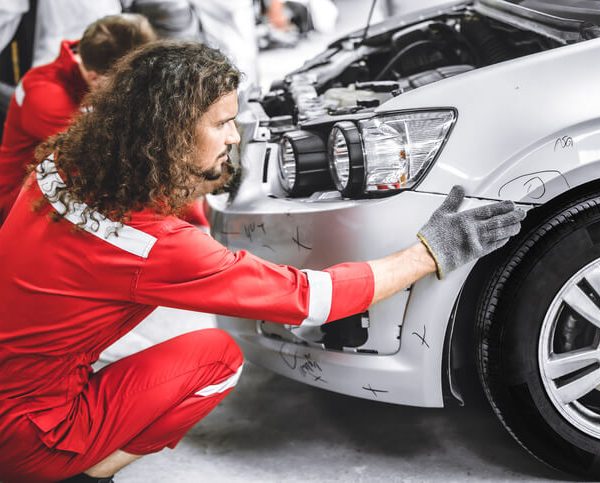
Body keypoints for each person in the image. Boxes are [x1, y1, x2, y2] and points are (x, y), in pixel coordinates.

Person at [0, 41, 525, 482]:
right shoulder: (154, 248)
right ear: (168, 134)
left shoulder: (63, 164)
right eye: (223, 124)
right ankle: (85, 471)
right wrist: (429, 251)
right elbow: (311, 299)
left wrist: (203, 184)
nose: (233, 136)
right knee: (217, 358)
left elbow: (171, 211)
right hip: (26, 435)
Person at [0, 13, 156, 226]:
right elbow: (106, 164)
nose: (133, 90)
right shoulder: (45, 95)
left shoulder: (96, 63)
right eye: (127, 83)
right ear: (95, 78)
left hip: (65, 198)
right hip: (20, 210)